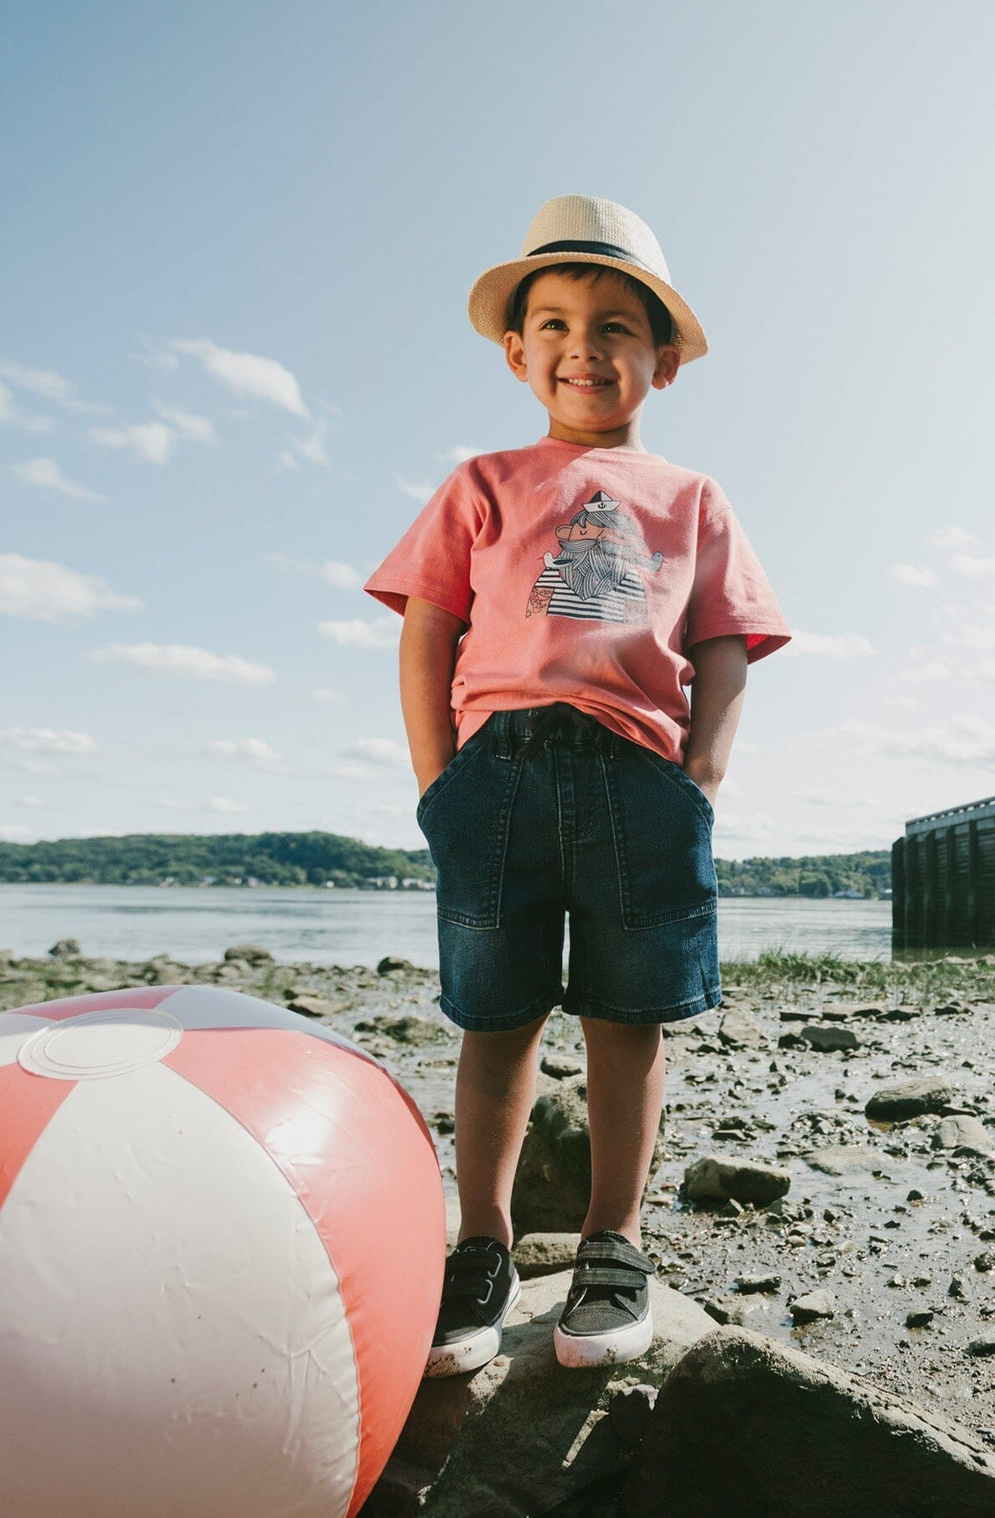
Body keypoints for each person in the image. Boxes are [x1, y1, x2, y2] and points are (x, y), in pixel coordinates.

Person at [363, 195, 791, 1376]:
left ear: (659, 358)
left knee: (626, 1016)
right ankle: (484, 1245)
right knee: (493, 1016)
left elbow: (722, 644)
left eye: (614, 324)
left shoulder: (691, 499)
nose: (582, 346)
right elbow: (427, 628)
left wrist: (695, 780)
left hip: (636, 775)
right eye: (552, 323)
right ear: (515, 352)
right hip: (493, 774)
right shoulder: (481, 482)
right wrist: (435, 781)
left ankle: (613, 1244)